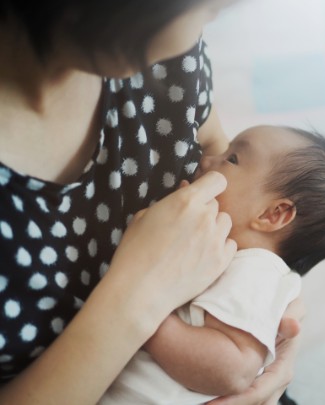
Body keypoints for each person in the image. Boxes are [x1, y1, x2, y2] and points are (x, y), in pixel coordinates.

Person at [0, 1, 304, 403]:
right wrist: (138, 297)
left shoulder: (171, 59)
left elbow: (220, 152)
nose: (203, 29)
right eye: (210, 10)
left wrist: (275, 305)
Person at [99, 125, 325, 404]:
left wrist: (145, 312)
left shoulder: (254, 271)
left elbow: (235, 370)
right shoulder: (238, 262)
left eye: (232, 159)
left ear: (274, 214)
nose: (205, 160)